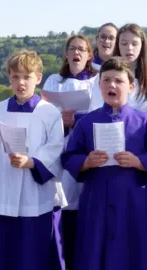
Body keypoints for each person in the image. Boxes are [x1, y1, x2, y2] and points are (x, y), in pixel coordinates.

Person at [61, 57, 147, 270]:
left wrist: (139, 161)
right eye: (107, 80)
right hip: (96, 200)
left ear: (130, 87)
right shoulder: (86, 122)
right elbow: (69, 156)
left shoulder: (145, 122)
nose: (112, 85)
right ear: (99, 85)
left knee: (132, 253)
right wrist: (86, 162)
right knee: (94, 251)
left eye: (118, 81)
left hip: (132, 200)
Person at [0, 50, 65, 270]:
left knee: (31, 254)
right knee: (2, 253)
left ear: (38, 78)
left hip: (34, 192)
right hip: (3, 190)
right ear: (9, 77)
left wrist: (32, 162)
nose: (21, 83)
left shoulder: (50, 113)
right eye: (15, 77)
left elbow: (55, 148)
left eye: (27, 77)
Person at [42, 34, 98, 270]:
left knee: (80, 204)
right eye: (72, 48)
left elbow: (99, 112)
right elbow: (44, 112)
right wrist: (61, 120)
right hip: (59, 143)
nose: (76, 53)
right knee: (60, 204)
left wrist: (77, 119)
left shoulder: (96, 82)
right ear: (66, 54)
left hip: (85, 148)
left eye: (81, 49)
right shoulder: (54, 80)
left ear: (88, 56)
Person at [91, 23, 147, 121]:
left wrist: (137, 123)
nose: (129, 48)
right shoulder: (103, 77)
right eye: (124, 43)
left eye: (134, 44)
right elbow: (95, 109)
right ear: (117, 45)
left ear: (142, 45)